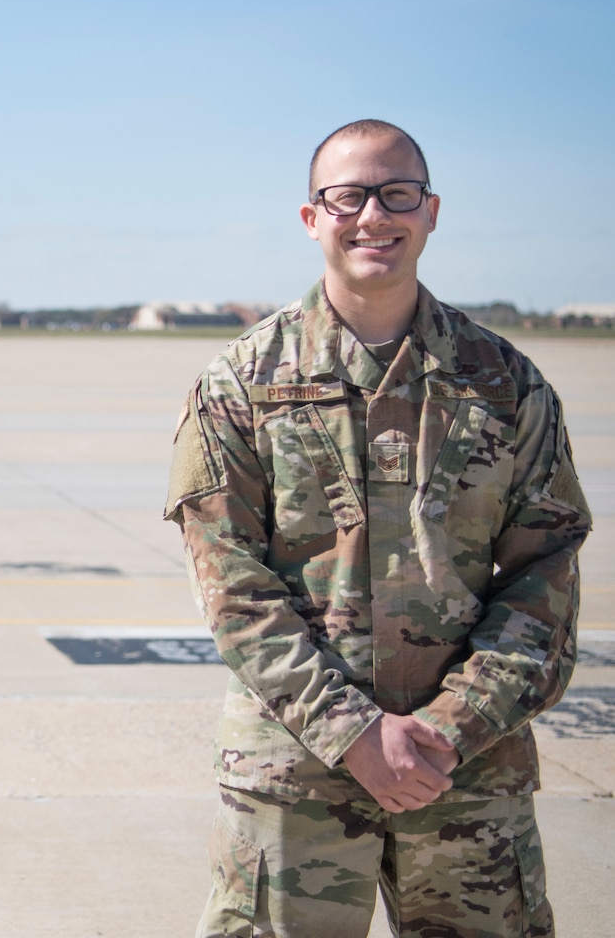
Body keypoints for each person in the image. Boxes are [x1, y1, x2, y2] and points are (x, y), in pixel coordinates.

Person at [165, 119, 589, 937]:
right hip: (297, 779)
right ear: (311, 217)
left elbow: (547, 578)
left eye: (397, 194)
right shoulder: (240, 385)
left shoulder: (506, 384)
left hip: (465, 780)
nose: (373, 215)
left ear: (431, 211)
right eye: (348, 195)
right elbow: (233, 590)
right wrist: (353, 734)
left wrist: (448, 729)